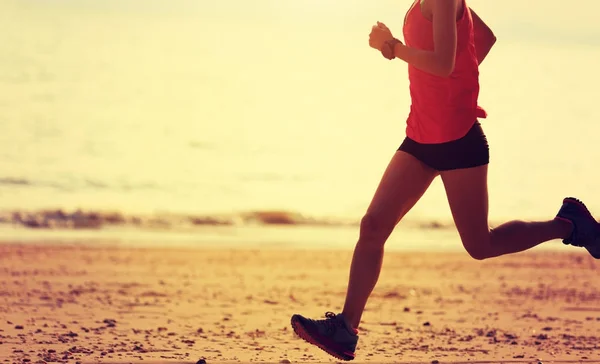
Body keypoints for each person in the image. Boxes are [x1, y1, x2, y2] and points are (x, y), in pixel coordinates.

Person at [290, 0, 600, 361]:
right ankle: (346, 329)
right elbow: (481, 38)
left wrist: (393, 47)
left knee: (480, 245)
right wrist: (452, 86)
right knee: (373, 226)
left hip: (458, 142)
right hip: (420, 138)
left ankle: (568, 225)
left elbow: (443, 63)